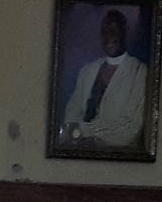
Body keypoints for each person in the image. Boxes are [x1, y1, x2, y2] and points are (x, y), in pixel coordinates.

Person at [61, 9, 149, 150]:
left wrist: (90, 137)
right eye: (104, 31)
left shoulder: (138, 71)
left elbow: (132, 126)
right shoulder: (87, 71)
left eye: (114, 30)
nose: (109, 36)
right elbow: (72, 115)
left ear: (125, 32)